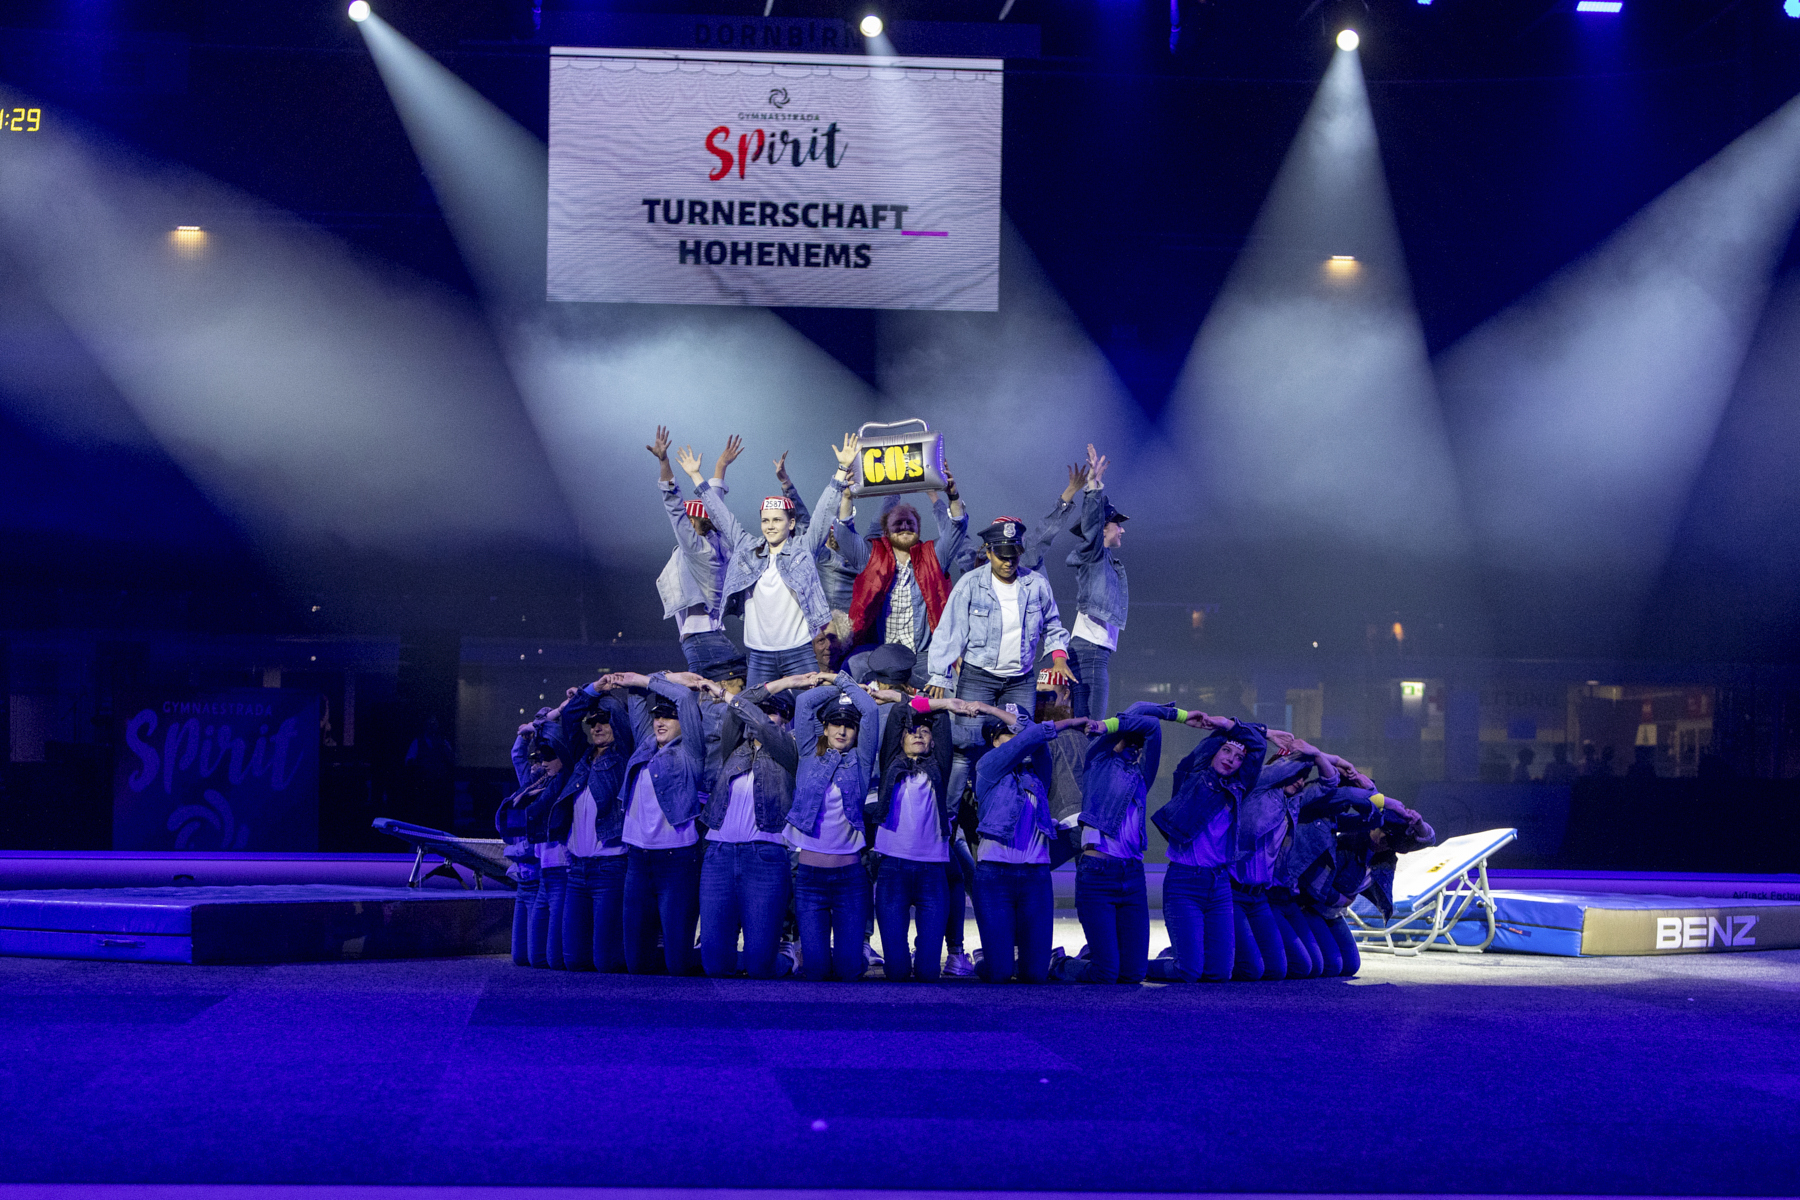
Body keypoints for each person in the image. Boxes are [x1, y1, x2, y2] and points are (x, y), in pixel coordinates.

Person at [683, 435, 859, 686]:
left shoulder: (803, 548)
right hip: (760, 654)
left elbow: (823, 514)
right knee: (755, 708)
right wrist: (696, 476)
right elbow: (721, 517)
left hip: (799, 650)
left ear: (791, 523)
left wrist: (841, 470)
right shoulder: (748, 548)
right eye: (765, 520)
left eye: (777, 520)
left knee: (810, 706)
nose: (770, 526)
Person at [1054, 702, 1184, 985]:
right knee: (1106, 973)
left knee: (1133, 974)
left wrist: (1175, 717)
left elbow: (1151, 728)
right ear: (1114, 737)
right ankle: (1058, 964)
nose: (1134, 747)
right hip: (1097, 876)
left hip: (1132, 876)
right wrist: (1110, 727)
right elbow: (1139, 714)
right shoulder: (1097, 762)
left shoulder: (1141, 777)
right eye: (1128, 740)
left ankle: (1098, 953)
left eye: (1139, 745)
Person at [968, 705, 1097, 983]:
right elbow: (1030, 736)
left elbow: (1034, 737)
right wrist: (1069, 722)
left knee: (1035, 975)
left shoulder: (1039, 772)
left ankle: (1025, 958)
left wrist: (1022, 725)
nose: (1018, 740)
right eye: (1008, 734)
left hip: (1035, 878)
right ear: (994, 742)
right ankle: (985, 959)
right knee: (1000, 974)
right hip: (994, 878)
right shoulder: (987, 768)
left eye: (1018, 733)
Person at [1146, 712, 1268, 983]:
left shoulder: (1237, 789)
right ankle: (1132, 965)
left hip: (1219, 885)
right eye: (1226, 751)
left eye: (1239, 758)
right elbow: (1206, 750)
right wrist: (1225, 727)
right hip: (1184, 882)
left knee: (1219, 972)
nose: (1231, 759)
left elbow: (1258, 748)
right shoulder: (1193, 777)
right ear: (1215, 751)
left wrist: (1231, 725)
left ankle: (1183, 953)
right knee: (1188, 972)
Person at [700, 676, 807, 979]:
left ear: (786, 720)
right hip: (719, 856)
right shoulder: (734, 748)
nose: (764, 716)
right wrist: (778, 684)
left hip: (765, 859)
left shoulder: (790, 751)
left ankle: (788, 957)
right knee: (715, 966)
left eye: (774, 712)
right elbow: (741, 709)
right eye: (762, 710)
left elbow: (763, 726)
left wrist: (724, 693)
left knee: (760, 967)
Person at [612, 671, 709, 975]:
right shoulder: (645, 744)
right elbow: (636, 699)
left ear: (685, 722)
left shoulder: (691, 751)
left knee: (677, 963)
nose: (660, 722)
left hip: (676, 862)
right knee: (636, 963)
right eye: (657, 716)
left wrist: (656, 680)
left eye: (669, 716)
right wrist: (665, 676)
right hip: (637, 861)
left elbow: (686, 698)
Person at [835, 468, 968, 688]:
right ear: (886, 532)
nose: (905, 526)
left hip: (922, 654)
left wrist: (952, 495)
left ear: (918, 529)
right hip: (879, 649)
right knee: (848, 672)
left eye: (910, 523)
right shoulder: (872, 555)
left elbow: (957, 528)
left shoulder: (933, 555)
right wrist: (847, 497)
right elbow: (844, 535)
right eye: (898, 523)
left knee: (950, 688)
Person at [786, 676, 880, 981]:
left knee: (848, 971)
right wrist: (836, 687)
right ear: (824, 728)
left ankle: (855, 953)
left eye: (849, 726)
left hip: (849, 880)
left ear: (856, 732)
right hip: (810, 880)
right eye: (835, 724)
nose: (842, 730)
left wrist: (840, 678)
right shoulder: (809, 755)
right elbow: (804, 702)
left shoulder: (861, 761)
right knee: (816, 971)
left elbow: (870, 710)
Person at [1287, 784, 1435, 978]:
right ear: (1374, 824)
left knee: (1350, 965)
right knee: (1331, 965)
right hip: (1311, 907)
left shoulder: (1386, 854)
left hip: (1333, 914)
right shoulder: (1347, 845)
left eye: (1390, 840)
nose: (1383, 840)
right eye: (1381, 831)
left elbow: (1427, 839)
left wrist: (1419, 824)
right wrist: (1343, 900)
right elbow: (1315, 886)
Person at [869, 693, 965, 981]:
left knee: (927, 973)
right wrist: (900, 697)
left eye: (924, 731)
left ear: (933, 741)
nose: (918, 735)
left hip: (932, 870)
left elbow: (942, 720)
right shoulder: (891, 763)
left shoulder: (939, 767)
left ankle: (924, 954)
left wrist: (943, 705)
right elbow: (899, 712)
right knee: (896, 972)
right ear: (900, 739)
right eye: (911, 731)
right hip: (893, 869)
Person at [1231, 738, 1342, 982]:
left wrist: (1319, 755)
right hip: (1233, 893)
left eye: (1304, 777)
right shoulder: (1256, 788)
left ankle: (1220, 953)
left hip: (1259, 896)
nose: (1300, 781)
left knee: (1296, 967)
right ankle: (1201, 955)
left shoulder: (1293, 802)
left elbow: (1329, 783)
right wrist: (1308, 755)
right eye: (1295, 774)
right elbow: (1277, 770)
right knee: (1251, 969)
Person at [1032, 445, 1129, 720]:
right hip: (1090, 653)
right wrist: (1093, 487)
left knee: (1087, 723)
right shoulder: (1094, 554)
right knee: (1091, 725)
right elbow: (1091, 528)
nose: (1122, 529)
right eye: (1117, 524)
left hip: (1093, 652)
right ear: (1103, 527)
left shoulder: (1105, 560)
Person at [649, 426, 742, 679]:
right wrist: (720, 467)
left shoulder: (696, 548)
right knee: (723, 691)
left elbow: (673, 505)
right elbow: (716, 505)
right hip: (711, 635)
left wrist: (664, 461)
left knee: (719, 693)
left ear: (691, 522)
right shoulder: (719, 542)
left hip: (700, 639)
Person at [555, 680, 634, 972]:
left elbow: (619, 716)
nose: (597, 727)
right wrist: (588, 692)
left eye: (604, 721)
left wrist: (603, 693)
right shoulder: (582, 757)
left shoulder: (624, 755)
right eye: (593, 722)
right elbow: (568, 717)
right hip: (577, 869)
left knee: (606, 962)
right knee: (573, 960)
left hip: (609, 869)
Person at [498, 710, 560, 967]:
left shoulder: (555, 784)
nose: (538, 764)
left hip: (538, 878)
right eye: (535, 759)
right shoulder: (529, 784)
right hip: (523, 880)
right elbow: (517, 755)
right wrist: (525, 736)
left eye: (544, 758)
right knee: (520, 957)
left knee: (537, 958)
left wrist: (544, 722)